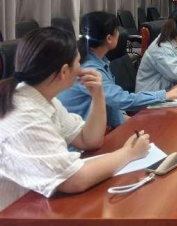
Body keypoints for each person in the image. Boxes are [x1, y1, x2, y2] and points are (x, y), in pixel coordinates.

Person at [0, 28, 150, 211]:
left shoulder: (44, 98)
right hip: (16, 213)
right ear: (64, 71)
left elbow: (89, 140)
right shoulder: (25, 117)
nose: (82, 67)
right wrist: (129, 153)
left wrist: (98, 95)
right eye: (79, 62)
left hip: (36, 205)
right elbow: (74, 180)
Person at [58, 12, 177, 130]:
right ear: (109, 38)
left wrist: (133, 123)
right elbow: (120, 100)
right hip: (83, 139)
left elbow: (112, 106)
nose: (120, 33)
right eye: (117, 30)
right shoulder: (90, 69)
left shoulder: (99, 61)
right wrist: (165, 95)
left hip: (99, 129)